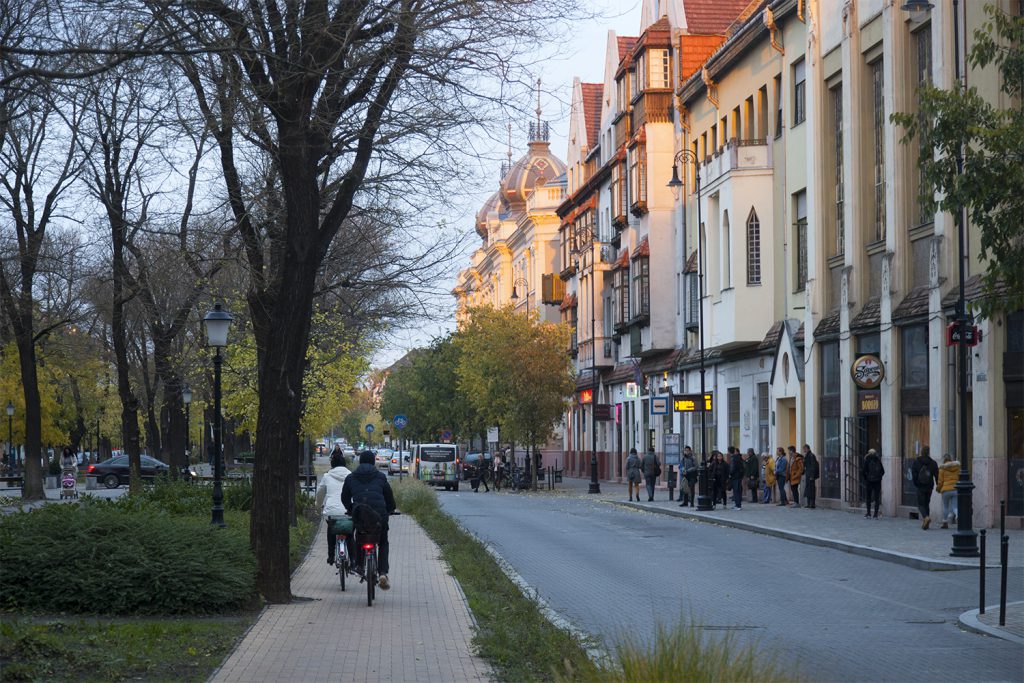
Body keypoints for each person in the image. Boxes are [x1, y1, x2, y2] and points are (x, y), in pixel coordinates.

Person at [342, 450, 397, 590]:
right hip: (380, 517)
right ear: (373, 462)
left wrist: (351, 508)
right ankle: (383, 572)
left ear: (360, 462)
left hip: (360, 515)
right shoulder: (380, 477)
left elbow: (344, 497)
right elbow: (389, 497)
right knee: (383, 542)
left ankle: (360, 565)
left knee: (359, 536)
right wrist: (391, 510)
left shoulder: (351, 477)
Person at [315, 450, 352, 566]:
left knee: (331, 529)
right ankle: (353, 558)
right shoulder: (351, 476)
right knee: (350, 534)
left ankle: (331, 556)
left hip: (331, 511)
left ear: (332, 465)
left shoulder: (327, 476)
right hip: (348, 510)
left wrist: (317, 506)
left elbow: (320, 493)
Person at [910, 446, 939, 530]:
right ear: (928, 452)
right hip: (929, 486)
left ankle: (926, 518)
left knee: (921, 504)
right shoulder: (933, 463)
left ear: (921, 452)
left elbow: (914, 474)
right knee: (926, 504)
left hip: (920, 486)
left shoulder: (917, 462)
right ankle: (926, 523)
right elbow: (937, 475)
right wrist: (937, 484)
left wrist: (916, 484)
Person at [937, 454, 960, 529]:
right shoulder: (957, 467)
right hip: (955, 488)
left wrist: (938, 489)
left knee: (945, 506)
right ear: (951, 459)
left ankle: (945, 522)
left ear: (944, 460)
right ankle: (958, 515)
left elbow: (940, 481)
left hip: (946, 490)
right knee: (954, 506)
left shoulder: (942, 468)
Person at [862, 448, 885, 518]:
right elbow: (883, 471)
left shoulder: (867, 460)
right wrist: (879, 477)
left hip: (869, 481)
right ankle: (875, 514)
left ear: (869, 453)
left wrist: (866, 478)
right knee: (877, 498)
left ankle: (868, 513)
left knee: (868, 498)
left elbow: (863, 472)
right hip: (877, 482)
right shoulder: (878, 460)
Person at [802, 444, 819, 509]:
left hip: (810, 475)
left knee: (811, 489)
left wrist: (812, 476)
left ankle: (812, 504)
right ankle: (809, 504)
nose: (803, 450)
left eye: (804, 449)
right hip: (808, 474)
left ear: (807, 448)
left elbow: (813, 466)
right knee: (808, 489)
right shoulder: (807, 455)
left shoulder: (811, 455)